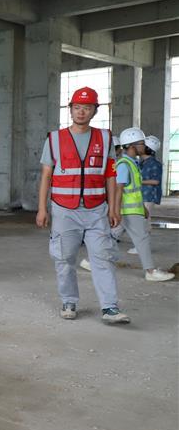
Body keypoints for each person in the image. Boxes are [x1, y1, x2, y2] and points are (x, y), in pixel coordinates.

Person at [35, 86, 128, 324]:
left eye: (87, 108)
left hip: (97, 210)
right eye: (77, 107)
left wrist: (113, 208)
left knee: (103, 257)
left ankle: (110, 307)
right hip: (64, 210)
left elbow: (110, 174)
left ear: (95, 111)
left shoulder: (105, 138)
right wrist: (42, 209)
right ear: (70, 109)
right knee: (65, 258)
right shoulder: (55, 139)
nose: (81, 112)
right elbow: (46, 175)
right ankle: (69, 301)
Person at [105, 128, 173, 282]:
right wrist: (115, 211)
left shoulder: (132, 163)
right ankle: (150, 271)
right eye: (142, 143)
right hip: (128, 210)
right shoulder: (124, 165)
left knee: (112, 236)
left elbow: (135, 190)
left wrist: (142, 207)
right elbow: (118, 189)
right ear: (132, 146)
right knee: (141, 238)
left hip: (132, 209)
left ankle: (93, 262)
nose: (144, 146)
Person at [140, 135, 163, 232]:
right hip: (141, 194)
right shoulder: (142, 163)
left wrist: (138, 181)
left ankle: (143, 241)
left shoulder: (155, 164)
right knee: (142, 220)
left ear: (148, 149)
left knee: (144, 221)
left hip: (149, 196)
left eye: (142, 145)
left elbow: (156, 181)